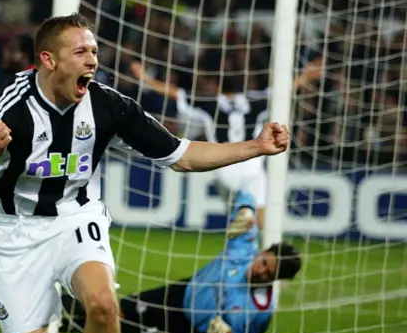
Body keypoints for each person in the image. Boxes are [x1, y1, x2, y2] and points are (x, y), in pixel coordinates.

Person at [0, 13, 290, 333]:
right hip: (14, 232)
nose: (91, 60)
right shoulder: (14, 106)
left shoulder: (108, 106)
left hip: (74, 218)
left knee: (104, 304)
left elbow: (182, 155)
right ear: (49, 59)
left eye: (94, 51)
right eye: (80, 52)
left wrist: (256, 146)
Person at [60, 190, 302, 333]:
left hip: (187, 329)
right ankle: (62, 314)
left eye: (269, 274)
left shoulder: (262, 310)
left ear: (275, 279)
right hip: (182, 292)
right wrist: (246, 211)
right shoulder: (244, 246)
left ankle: (64, 321)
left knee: (126, 329)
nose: (261, 271)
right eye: (264, 263)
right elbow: (245, 194)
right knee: (122, 309)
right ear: (263, 251)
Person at [130, 57, 322, 230]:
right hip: (252, 163)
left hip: (224, 163)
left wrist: (145, 78)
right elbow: (284, 90)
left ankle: (239, 239)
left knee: (236, 218)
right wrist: (306, 76)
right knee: (260, 218)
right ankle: (259, 249)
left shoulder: (209, 101)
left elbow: (175, 93)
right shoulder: (256, 99)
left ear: (216, 83)